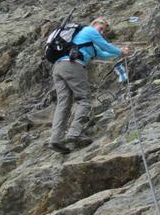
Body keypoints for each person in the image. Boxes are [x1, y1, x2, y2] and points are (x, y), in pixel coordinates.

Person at [48, 17, 129, 154]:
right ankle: (75, 133)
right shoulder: (90, 30)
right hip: (73, 66)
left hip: (59, 67)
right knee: (84, 99)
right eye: (101, 28)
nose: (102, 32)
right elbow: (105, 45)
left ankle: (55, 139)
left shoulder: (86, 42)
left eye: (104, 30)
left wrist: (120, 52)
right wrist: (121, 51)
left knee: (63, 103)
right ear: (94, 24)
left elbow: (103, 54)